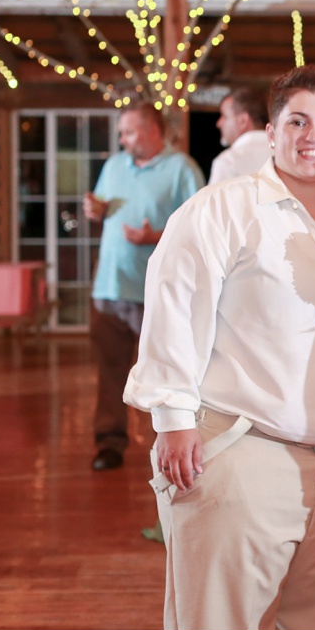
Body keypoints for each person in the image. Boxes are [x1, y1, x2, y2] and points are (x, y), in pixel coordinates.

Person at [124, 67, 315, 630]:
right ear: (269, 132)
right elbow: (175, 304)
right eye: (296, 120)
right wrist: (172, 417)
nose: (311, 135)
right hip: (245, 453)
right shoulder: (222, 209)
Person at [82, 103, 204, 472]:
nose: (122, 140)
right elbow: (105, 209)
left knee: (168, 372)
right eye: (122, 133)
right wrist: (96, 212)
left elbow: (199, 229)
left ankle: (173, 446)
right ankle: (109, 443)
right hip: (110, 286)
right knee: (109, 370)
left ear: (153, 130)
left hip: (157, 292)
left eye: (129, 132)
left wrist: (154, 236)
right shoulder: (115, 166)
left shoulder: (182, 169)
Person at [207, 88, 269, 185]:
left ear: (243, 121)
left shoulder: (228, 162)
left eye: (224, 116)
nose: (219, 123)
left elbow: (214, 200)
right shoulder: (286, 155)